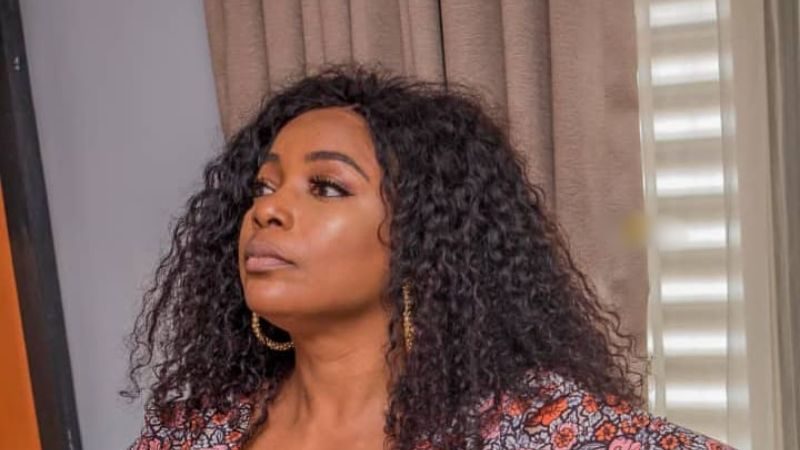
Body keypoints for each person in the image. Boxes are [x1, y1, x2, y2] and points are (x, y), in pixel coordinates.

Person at [124, 65, 734, 450]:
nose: (268, 211)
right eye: (263, 187)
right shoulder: (192, 433)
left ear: (420, 237)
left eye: (327, 187)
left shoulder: (532, 427)